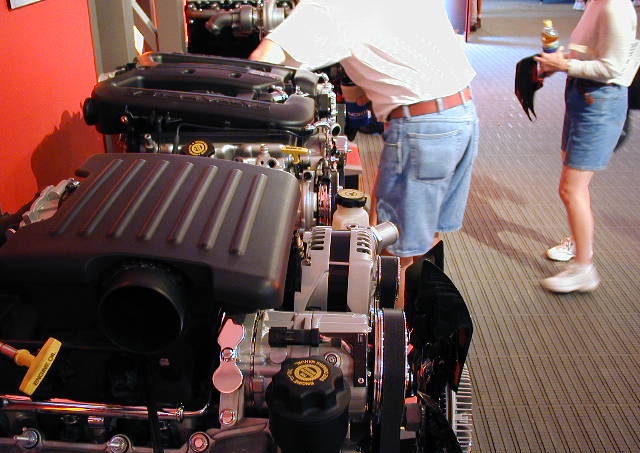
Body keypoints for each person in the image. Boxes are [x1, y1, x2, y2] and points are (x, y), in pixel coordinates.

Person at [250, 0, 479, 307]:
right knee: (423, 234)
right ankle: (423, 312)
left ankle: (396, 326)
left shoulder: (328, 6)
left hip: (421, 128)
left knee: (395, 254)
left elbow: (262, 62)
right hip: (460, 114)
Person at [535, 0, 637, 293]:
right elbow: (590, 51)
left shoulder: (615, 7)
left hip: (600, 102)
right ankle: (580, 243)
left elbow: (612, 67)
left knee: (571, 189)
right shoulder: (598, 3)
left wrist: (565, 64)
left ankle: (584, 269)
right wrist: (561, 61)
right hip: (582, 95)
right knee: (575, 186)